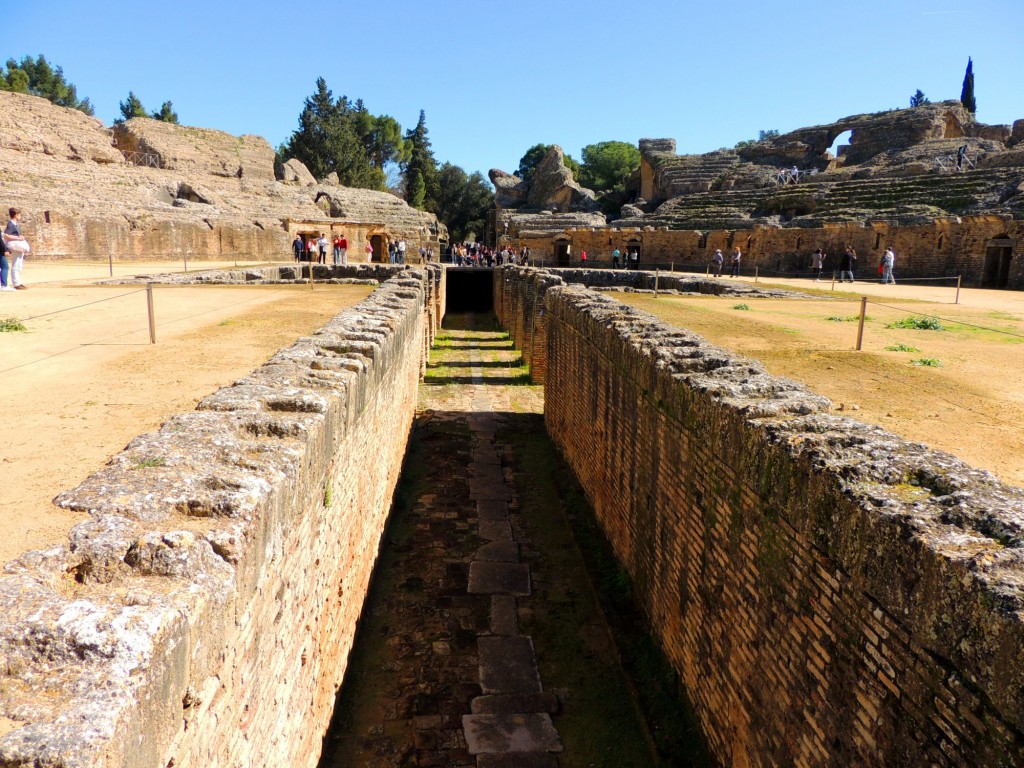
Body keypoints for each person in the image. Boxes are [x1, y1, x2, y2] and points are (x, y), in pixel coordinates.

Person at [5, 208, 31, 290]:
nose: (20, 217)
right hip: (14, 245)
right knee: (16, 264)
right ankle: (16, 283)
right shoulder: (10, 224)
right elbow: (6, 235)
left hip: (17, 247)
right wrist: (18, 238)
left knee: (19, 265)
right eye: (19, 215)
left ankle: (18, 282)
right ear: (16, 215)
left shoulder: (16, 225)